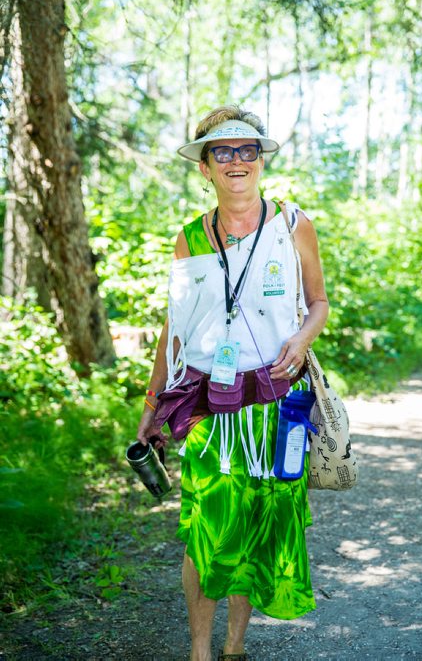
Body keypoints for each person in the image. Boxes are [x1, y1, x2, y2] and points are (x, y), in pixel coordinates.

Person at [137, 105, 329, 661]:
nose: (237, 161)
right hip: (206, 404)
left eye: (248, 150)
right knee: (205, 528)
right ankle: (199, 652)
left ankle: (234, 648)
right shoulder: (190, 239)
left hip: (276, 402)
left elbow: (318, 302)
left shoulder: (294, 225)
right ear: (206, 168)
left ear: (261, 160)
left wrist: (303, 339)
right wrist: (152, 401)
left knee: (255, 521)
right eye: (223, 152)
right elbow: (175, 326)